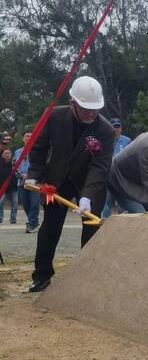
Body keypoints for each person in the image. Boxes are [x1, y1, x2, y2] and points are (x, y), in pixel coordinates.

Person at [27, 75, 115, 292]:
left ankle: (87, 275)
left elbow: (100, 166)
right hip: (56, 181)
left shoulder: (105, 130)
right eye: (86, 109)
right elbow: (39, 147)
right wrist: (34, 174)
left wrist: (87, 196)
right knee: (50, 227)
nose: (91, 114)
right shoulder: (54, 116)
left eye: (95, 109)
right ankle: (42, 275)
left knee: (91, 228)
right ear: (72, 102)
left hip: (89, 182)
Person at [101, 117, 132, 218]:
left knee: (123, 206)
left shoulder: (127, 140)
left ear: (121, 128)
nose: (116, 129)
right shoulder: (104, 139)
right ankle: (105, 223)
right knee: (106, 203)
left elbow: (131, 158)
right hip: (108, 177)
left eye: (118, 126)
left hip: (122, 178)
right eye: (114, 126)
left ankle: (121, 224)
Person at [14, 131, 39, 233]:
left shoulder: (38, 151)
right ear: (23, 138)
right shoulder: (17, 152)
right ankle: (34, 221)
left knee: (34, 204)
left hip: (34, 182)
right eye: (27, 136)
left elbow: (41, 165)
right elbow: (14, 166)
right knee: (26, 204)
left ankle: (31, 224)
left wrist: (30, 175)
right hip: (21, 182)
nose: (29, 138)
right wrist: (21, 176)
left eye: (31, 136)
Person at [0, 149, 17, 224]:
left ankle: (13, 219)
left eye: (8, 153)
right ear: (2, 155)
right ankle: (0, 218)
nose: (7, 154)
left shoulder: (15, 163)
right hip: (2, 186)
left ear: (11, 154)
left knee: (15, 203)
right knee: (0, 202)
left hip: (14, 186)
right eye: (5, 153)